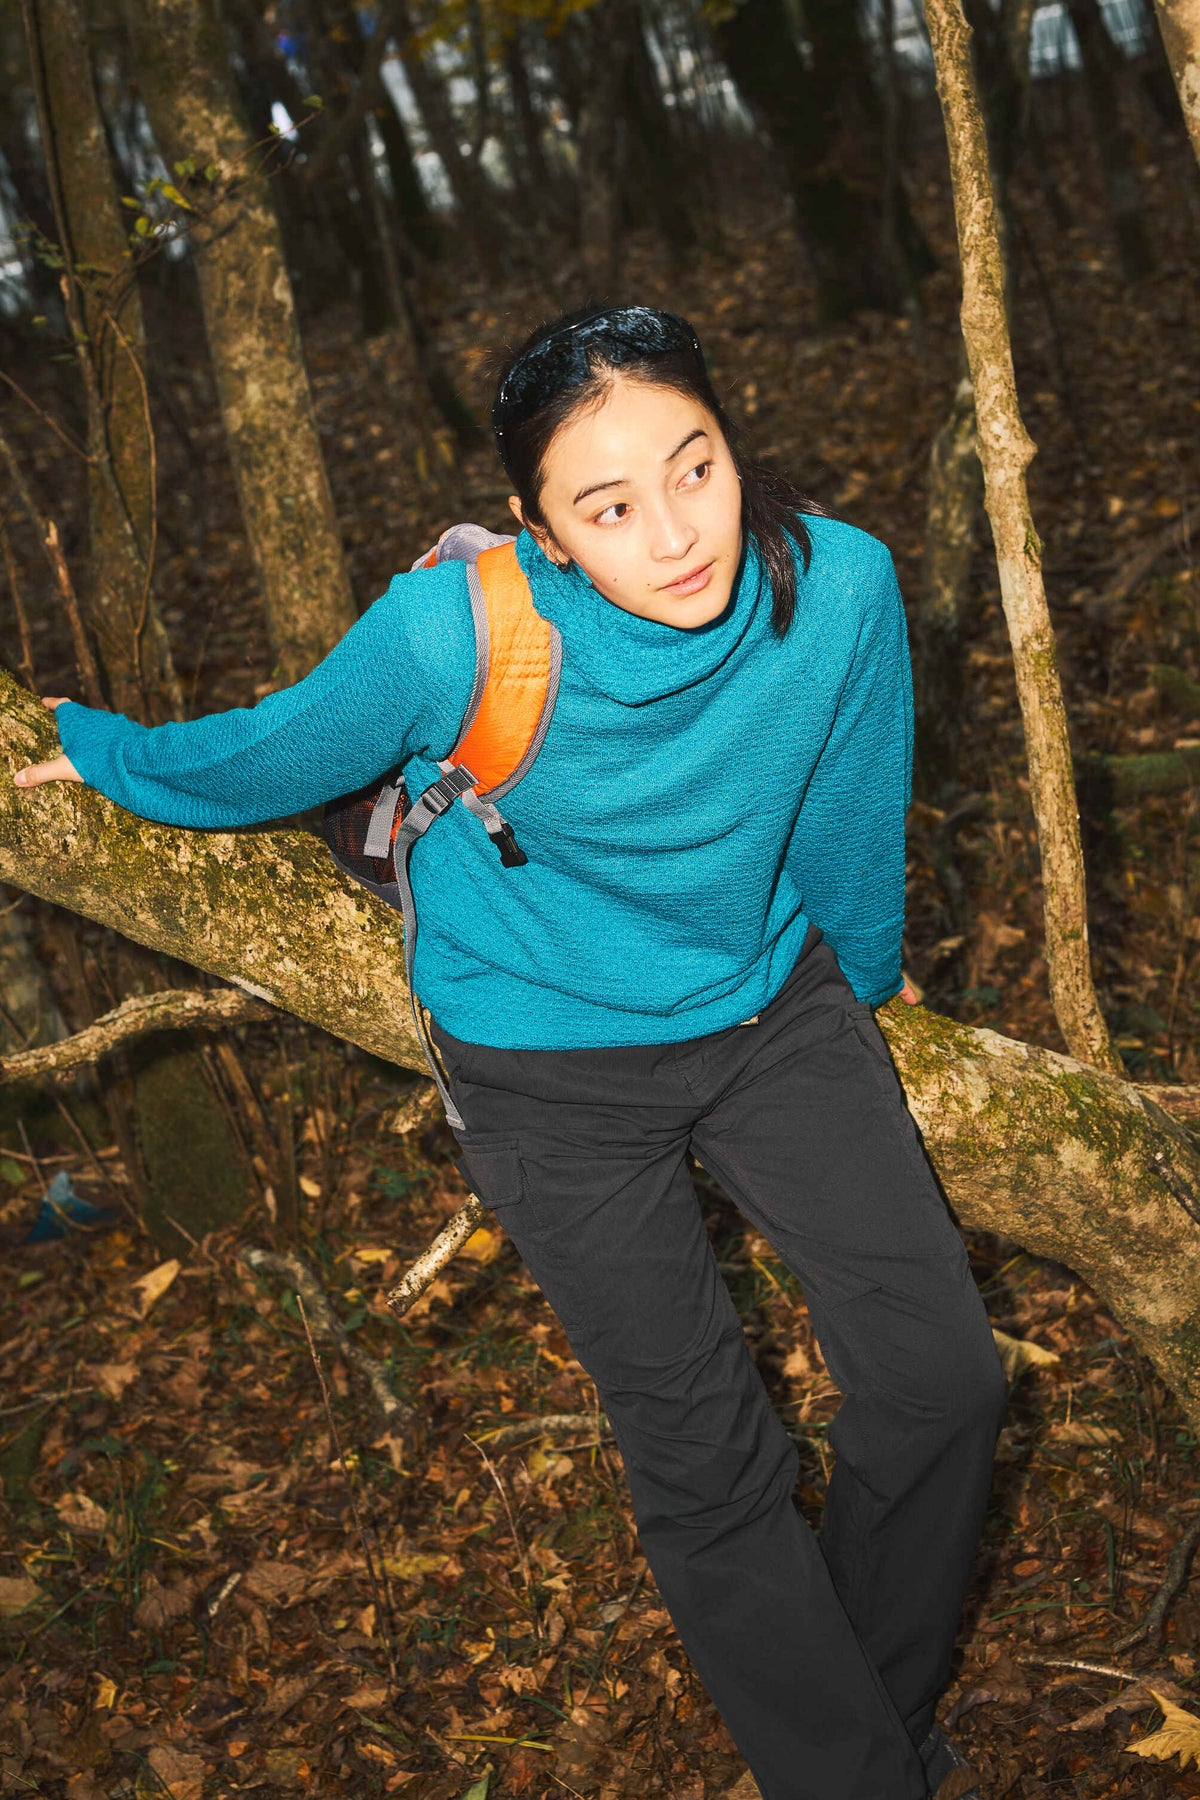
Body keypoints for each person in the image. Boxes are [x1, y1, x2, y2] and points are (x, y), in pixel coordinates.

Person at [15, 304, 1005, 1800]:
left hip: (772, 1010)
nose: (675, 532)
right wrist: (102, 749)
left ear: (733, 444)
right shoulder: (458, 630)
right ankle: (862, 1774)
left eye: (695, 466)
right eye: (608, 507)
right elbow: (272, 751)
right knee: (708, 1455)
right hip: (545, 1063)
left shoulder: (843, 585)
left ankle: (866, 1709)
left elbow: (851, 814)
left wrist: (868, 992)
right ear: (540, 531)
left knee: (944, 1380)